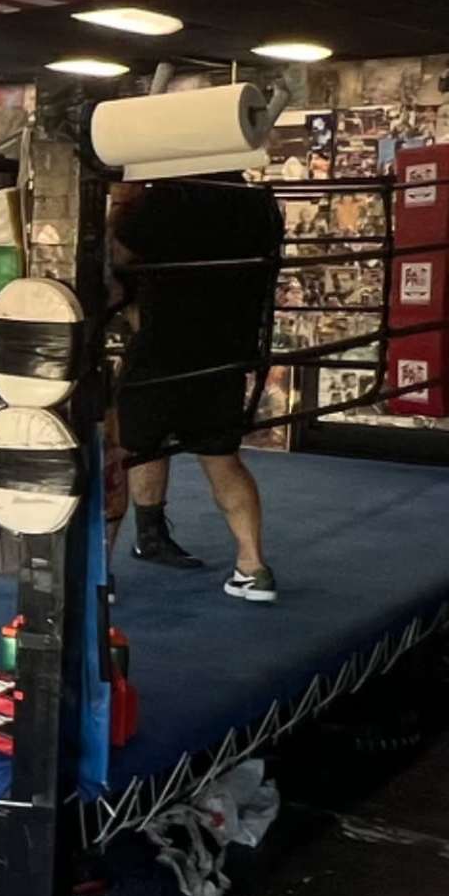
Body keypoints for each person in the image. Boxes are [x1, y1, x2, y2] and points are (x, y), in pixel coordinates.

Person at [107, 169, 288, 602]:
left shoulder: (166, 199)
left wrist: (120, 204)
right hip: (225, 351)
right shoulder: (256, 202)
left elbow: (116, 256)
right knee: (221, 457)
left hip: (161, 350)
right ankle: (252, 567)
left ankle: (98, 578)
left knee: (124, 454)